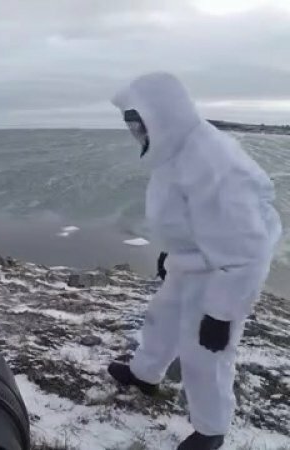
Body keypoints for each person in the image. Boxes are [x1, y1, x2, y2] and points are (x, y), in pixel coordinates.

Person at [107, 72, 282, 450]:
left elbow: (246, 252)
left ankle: (211, 428)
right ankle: (146, 373)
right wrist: (171, 250)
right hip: (191, 261)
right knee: (161, 319)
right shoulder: (173, 149)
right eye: (133, 126)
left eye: (140, 124)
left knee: (206, 354)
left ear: (164, 114)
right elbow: (187, 217)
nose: (137, 134)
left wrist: (222, 312)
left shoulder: (213, 164)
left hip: (221, 274)